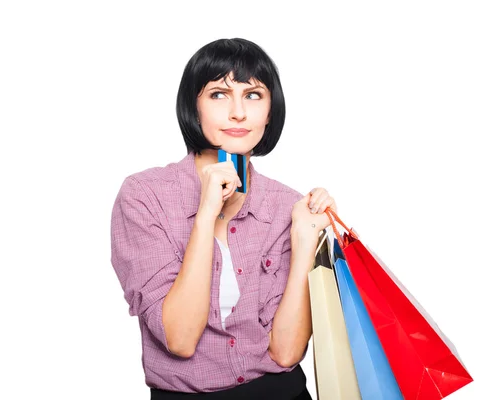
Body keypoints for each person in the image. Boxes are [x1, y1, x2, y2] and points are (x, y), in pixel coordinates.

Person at [110, 38, 338, 400]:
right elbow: (180, 339)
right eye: (218, 94)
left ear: (270, 110)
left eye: (253, 95)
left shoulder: (285, 205)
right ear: (193, 106)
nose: (238, 113)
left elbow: (287, 353)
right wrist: (206, 215)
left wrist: (305, 239)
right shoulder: (144, 196)